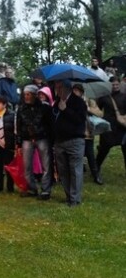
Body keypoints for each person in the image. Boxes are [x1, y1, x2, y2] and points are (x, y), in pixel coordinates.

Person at [52, 79, 88, 207]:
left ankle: (75, 199)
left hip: (74, 140)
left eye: (60, 87)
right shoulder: (56, 102)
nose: (58, 90)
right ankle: (68, 196)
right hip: (59, 141)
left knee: (75, 170)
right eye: (56, 88)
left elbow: (80, 120)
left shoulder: (78, 102)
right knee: (63, 171)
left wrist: (66, 109)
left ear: (67, 88)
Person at [15, 85, 54, 199]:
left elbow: (50, 124)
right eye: (25, 94)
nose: (26, 96)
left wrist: (51, 139)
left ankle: (46, 190)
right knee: (27, 165)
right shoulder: (21, 108)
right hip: (27, 139)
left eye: (28, 94)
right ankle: (32, 188)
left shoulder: (45, 108)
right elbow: (19, 126)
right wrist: (18, 143)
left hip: (42, 137)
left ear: (34, 95)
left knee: (46, 164)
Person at [95, 76, 126, 178]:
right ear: (109, 85)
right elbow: (98, 110)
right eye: (113, 85)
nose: (115, 86)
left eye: (117, 84)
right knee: (104, 149)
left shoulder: (124, 96)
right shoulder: (104, 97)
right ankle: (96, 168)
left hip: (121, 127)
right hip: (108, 127)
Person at [73, 84, 103, 185]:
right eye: (74, 90)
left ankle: (96, 175)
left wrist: (88, 108)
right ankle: (77, 176)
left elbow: (100, 113)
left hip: (87, 132)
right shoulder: (70, 101)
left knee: (90, 155)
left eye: (77, 90)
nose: (75, 92)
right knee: (77, 155)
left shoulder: (89, 100)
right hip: (76, 133)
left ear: (81, 91)